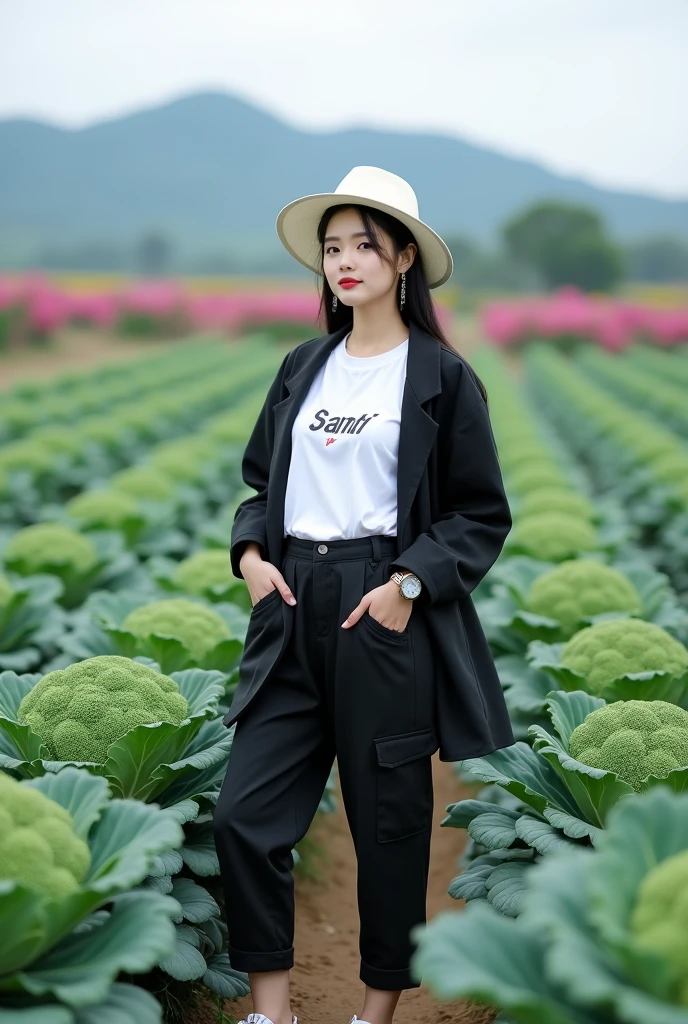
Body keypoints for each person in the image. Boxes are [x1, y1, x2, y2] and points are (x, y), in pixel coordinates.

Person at [213, 165, 515, 1024]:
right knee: (244, 813)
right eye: (332, 248)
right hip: (293, 601)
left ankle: (374, 1012)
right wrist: (249, 556)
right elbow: (259, 485)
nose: (344, 262)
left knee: (387, 823)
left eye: (364, 246)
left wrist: (407, 585)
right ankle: (271, 1011)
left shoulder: (440, 377)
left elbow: (479, 512)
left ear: (405, 259)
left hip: (380, 604)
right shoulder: (304, 365)